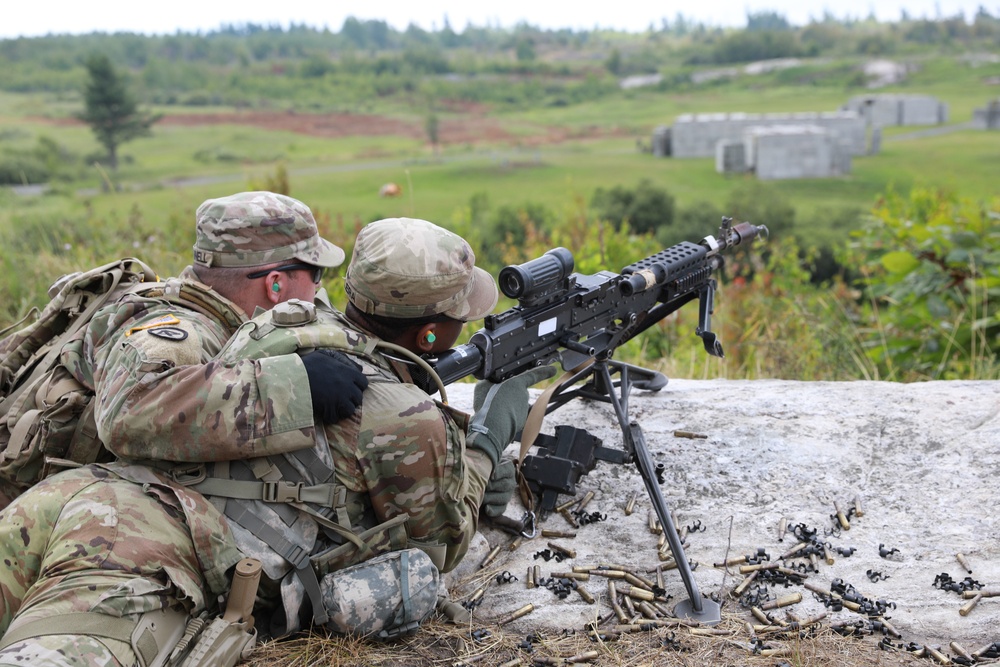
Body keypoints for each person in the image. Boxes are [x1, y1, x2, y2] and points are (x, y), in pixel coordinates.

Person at [192, 216, 555, 638]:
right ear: (429, 336)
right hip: (252, 581)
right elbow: (444, 545)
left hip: (210, 522)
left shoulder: (282, 323)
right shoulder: (403, 418)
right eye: (461, 315)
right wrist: (487, 440)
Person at [76, 190, 368, 464]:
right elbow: (125, 414)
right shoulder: (186, 334)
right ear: (275, 284)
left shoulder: (223, 319)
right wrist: (293, 384)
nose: (318, 287)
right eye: (316, 272)